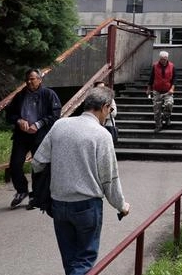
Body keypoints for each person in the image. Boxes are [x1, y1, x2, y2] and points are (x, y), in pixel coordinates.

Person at [31, 86, 131, 275]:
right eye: (109, 111)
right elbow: (109, 178)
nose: (108, 115)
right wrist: (121, 205)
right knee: (84, 260)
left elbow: (37, 162)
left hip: (59, 203)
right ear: (105, 107)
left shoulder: (60, 125)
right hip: (87, 205)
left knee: (70, 260)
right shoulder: (102, 135)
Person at [5, 68, 62, 209]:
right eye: (27, 79)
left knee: (38, 165)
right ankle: (21, 190)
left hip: (40, 135)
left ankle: (36, 195)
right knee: (15, 164)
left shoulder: (48, 94)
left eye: (32, 79)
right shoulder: (20, 96)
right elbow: (9, 115)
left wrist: (38, 124)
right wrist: (19, 120)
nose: (29, 82)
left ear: (40, 79)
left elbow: (55, 114)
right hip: (21, 135)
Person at [145, 51, 176, 132]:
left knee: (169, 104)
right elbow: (151, 78)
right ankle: (158, 125)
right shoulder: (155, 66)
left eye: (165, 59)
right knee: (157, 109)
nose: (163, 61)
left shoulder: (172, 66)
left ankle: (166, 116)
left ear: (167, 59)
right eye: (162, 59)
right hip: (157, 90)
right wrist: (148, 88)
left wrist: (172, 88)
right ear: (160, 58)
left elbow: (174, 79)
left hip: (167, 90)